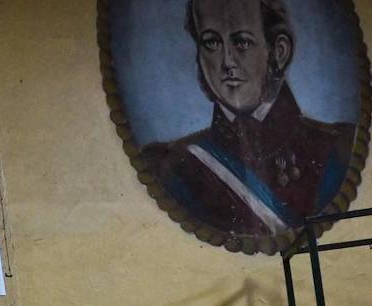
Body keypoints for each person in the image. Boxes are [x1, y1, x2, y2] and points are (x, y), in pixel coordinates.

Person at [141, 0, 356, 238]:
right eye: (211, 43)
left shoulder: (338, 148)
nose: (227, 62)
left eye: (242, 42)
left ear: (279, 51)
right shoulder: (174, 166)